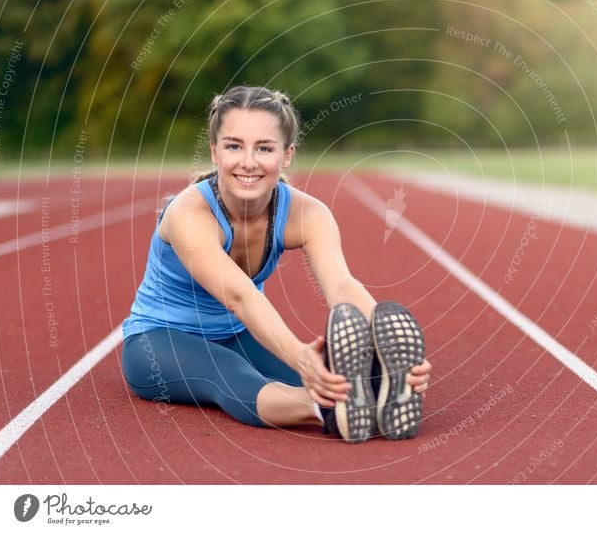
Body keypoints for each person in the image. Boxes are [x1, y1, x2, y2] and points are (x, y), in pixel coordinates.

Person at [121, 85, 431, 444]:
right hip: (159, 343)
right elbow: (239, 296)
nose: (249, 162)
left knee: (329, 375)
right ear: (214, 152)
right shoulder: (189, 215)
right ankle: (328, 411)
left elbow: (342, 286)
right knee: (230, 375)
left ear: (286, 156)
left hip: (237, 336)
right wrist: (299, 354)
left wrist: (385, 345)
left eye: (264, 148)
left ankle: (383, 389)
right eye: (234, 146)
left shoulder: (307, 213)